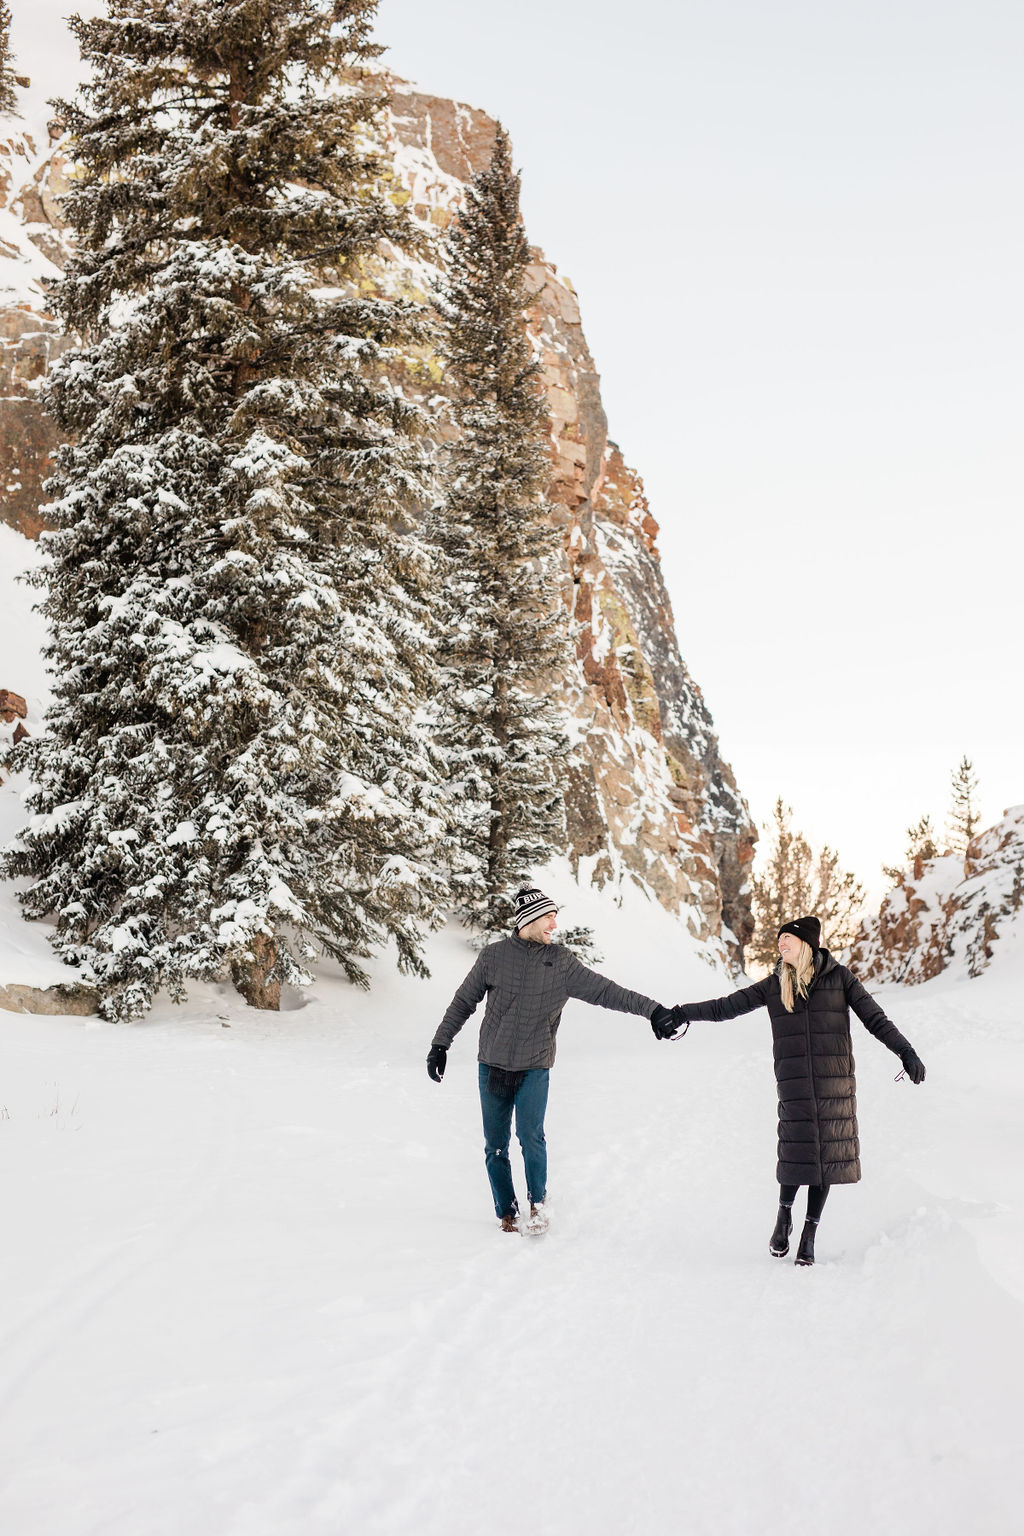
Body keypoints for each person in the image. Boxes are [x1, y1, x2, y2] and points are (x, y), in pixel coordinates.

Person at [657, 914, 926, 1266]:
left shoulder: (840, 979)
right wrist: (681, 1012)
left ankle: (809, 1235)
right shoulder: (773, 986)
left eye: (788, 939)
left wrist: (906, 1051)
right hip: (795, 1084)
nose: (781, 944)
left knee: (826, 1158)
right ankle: (784, 1216)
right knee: (796, 1153)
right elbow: (725, 1007)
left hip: (834, 1085)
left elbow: (875, 1019)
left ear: (807, 943)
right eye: (779, 939)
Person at [427, 885, 675, 1234]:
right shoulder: (493, 957)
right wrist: (441, 1045)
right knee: (495, 1145)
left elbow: (608, 992)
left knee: (531, 1138)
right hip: (492, 1064)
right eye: (549, 917)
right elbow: (463, 1002)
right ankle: (506, 1212)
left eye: (555, 917)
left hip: (534, 1064)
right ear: (527, 919)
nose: (554, 925)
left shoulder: (561, 963)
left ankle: (538, 1204)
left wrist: (653, 1010)